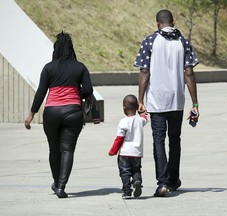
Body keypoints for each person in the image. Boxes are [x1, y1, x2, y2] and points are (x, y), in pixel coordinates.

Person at [134, 9, 200, 197]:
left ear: (157, 23)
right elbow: (189, 73)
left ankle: (162, 183)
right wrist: (195, 104)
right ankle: (173, 180)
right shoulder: (183, 42)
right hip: (177, 100)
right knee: (175, 140)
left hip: (156, 101)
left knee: (158, 141)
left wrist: (140, 100)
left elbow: (144, 72)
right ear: (173, 21)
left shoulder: (150, 41)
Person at [24, 31, 93, 198]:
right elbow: (89, 90)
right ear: (71, 48)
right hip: (73, 112)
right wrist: (77, 94)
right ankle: (61, 186)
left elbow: (41, 92)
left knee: (54, 150)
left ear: (55, 49)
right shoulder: (80, 67)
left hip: (52, 112)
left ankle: (56, 182)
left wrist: (31, 114)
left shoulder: (49, 67)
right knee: (68, 150)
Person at [108, 95, 148, 198]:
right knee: (136, 169)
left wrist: (113, 151)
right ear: (136, 107)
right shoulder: (140, 120)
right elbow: (145, 118)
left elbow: (119, 139)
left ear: (124, 108)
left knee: (125, 171)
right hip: (137, 153)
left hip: (125, 153)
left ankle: (127, 191)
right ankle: (137, 181)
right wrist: (142, 111)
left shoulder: (123, 122)